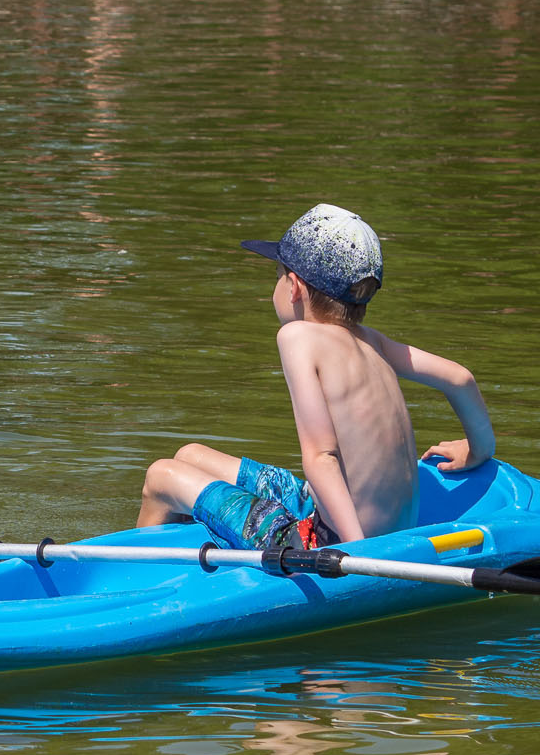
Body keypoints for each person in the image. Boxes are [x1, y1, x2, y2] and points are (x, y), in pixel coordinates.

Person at [137, 204, 495, 550]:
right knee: (189, 454)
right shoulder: (372, 342)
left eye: (276, 275)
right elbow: (459, 377)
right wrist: (477, 451)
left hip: (327, 539)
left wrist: (359, 555)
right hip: (350, 515)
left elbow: (321, 456)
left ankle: (136, 581)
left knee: (161, 476)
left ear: (293, 286)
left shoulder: (298, 338)